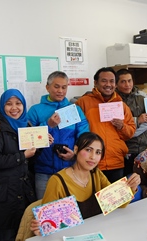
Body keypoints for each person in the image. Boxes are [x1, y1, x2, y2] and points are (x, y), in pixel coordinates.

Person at [27, 132, 141, 237]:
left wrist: (131, 187)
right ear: (76, 150)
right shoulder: (57, 181)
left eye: (98, 152)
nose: (93, 157)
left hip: (98, 233)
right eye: (88, 150)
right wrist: (40, 228)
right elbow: (47, 225)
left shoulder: (96, 174)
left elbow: (117, 203)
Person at [0, 89, 48, 241]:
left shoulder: (26, 125)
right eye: (9, 104)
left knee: (25, 233)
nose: (14, 108)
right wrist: (22, 156)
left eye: (18, 103)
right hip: (3, 194)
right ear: (2, 106)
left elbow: (29, 160)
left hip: (22, 190)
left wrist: (39, 147)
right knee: (6, 234)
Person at [27, 71, 89, 199]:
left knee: (71, 212)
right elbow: (28, 139)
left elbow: (85, 136)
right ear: (47, 87)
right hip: (44, 172)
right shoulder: (35, 110)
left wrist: (75, 154)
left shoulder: (75, 110)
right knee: (45, 212)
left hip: (70, 169)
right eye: (56, 86)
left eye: (64, 87)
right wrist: (48, 125)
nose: (60, 90)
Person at [75, 67, 136, 183]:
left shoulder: (121, 105)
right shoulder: (83, 102)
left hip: (116, 161)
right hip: (91, 161)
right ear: (96, 83)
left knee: (114, 198)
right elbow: (73, 128)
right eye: (104, 81)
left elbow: (131, 132)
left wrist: (122, 126)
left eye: (112, 81)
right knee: (92, 198)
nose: (108, 84)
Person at [115, 69, 147, 176]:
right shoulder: (114, 100)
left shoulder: (142, 96)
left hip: (145, 147)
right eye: (123, 82)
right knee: (129, 182)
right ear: (116, 84)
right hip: (127, 150)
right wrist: (137, 120)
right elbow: (117, 126)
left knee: (146, 181)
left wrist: (130, 131)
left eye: (129, 81)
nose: (127, 84)